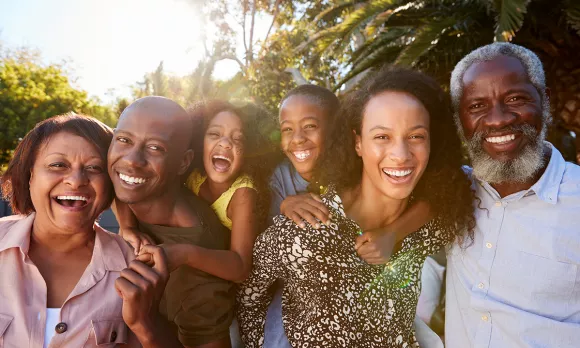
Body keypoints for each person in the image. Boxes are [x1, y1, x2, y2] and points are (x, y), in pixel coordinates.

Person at [238, 67, 475, 347]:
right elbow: (250, 297)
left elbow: (460, 185)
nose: (400, 155)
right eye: (382, 137)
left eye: (416, 136)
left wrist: (394, 231)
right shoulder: (302, 233)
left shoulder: (436, 219)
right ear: (357, 142)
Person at [445, 42, 580, 347]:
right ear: (459, 120)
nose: (499, 119)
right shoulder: (452, 192)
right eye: (477, 106)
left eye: (516, 98)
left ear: (545, 102)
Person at [0, 114, 169, 347]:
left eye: (94, 168)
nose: (76, 180)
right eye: (58, 165)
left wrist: (146, 323)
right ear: (30, 175)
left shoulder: (138, 266)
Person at [108, 96, 235, 347]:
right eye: (124, 140)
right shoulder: (131, 180)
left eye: (155, 147)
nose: (132, 159)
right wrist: (127, 225)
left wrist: (145, 324)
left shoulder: (196, 273)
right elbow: (113, 173)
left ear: (184, 162)